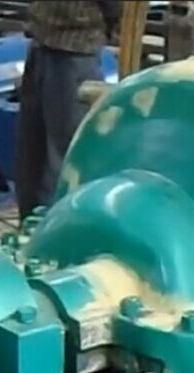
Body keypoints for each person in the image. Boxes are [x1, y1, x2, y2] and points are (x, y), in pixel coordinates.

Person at [15, 1, 120, 219]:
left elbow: (114, 7)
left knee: (65, 160)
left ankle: (58, 230)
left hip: (75, 50)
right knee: (32, 159)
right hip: (41, 42)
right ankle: (30, 229)